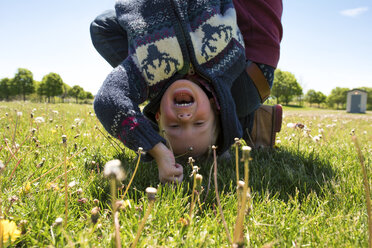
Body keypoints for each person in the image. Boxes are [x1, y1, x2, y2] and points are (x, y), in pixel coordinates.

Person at [91, 0, 283, 183]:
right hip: (243, 74)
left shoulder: (147, 72)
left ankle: (240, 119)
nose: (184, 116)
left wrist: (155, 148)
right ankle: (245, 120)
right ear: (217, 108)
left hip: (148, 20)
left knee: (99, 26)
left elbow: (106, 100)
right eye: (198, 122)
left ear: (157, 117)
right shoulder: (228, 60)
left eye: (174, 126)